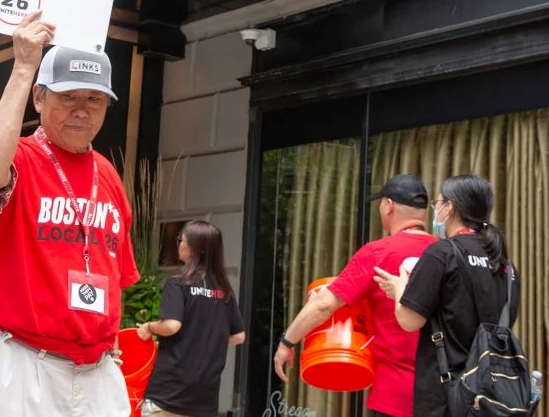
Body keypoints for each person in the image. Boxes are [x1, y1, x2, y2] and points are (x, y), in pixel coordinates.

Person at [0, 12, 139, 417]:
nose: (82, 110)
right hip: (20, 362)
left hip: (95, 371)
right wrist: (23, 67)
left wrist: (113, 346)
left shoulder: (108, 175)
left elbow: (116, 277)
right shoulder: (19, 156)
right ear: (39, 98)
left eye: (94, 99)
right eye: (68, 96)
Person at [273, 174, 437, 417]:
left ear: (388, 205)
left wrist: (287, 342)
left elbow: (324, 304)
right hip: (441, 394)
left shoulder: (378, 252)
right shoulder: (445, 254)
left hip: (393, 396)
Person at [374, 175, 521, 417]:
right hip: (494, 394)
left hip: (448, 394)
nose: (436, 210)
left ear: (449, 208)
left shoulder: (442, 253)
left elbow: (409, 320)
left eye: (437, 203)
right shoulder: (506, 265)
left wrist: (401, 287)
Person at [136, 221, 245, 417]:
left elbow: (171, 325)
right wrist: (206, 338)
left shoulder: (178, 283)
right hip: (204, 400)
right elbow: (239, 337)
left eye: (181, 240)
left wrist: (149, 327)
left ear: (195, 248)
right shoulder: (224, 290)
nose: (178, 244)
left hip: (168, 395)